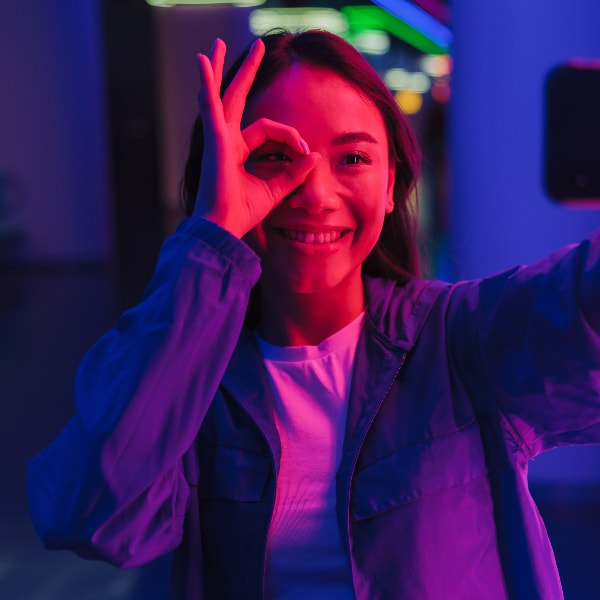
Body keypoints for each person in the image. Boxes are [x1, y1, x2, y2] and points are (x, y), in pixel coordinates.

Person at [28, 29, 600, 600]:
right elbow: (89, 516)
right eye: (275, 157)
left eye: (352, 157)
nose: (315, 194)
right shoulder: (188, 376)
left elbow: (581, 310)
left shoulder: (460, 340)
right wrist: (210, 243)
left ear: (390, 185)